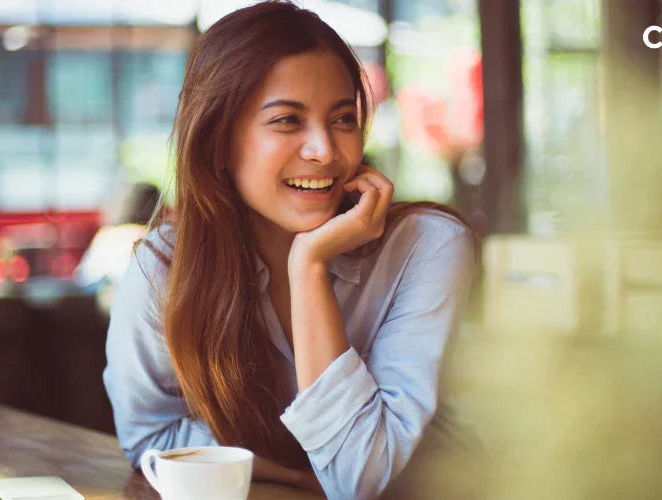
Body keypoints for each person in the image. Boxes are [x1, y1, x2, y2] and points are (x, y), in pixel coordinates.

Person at [102, 2, 476, 498]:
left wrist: (309, 267)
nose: (325, 150)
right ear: (218, 141)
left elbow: (363, 479)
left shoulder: (427, 247)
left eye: (343, 119)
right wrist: (303, 479)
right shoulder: (166, 267)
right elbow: (152, 437)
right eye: (287, 121)